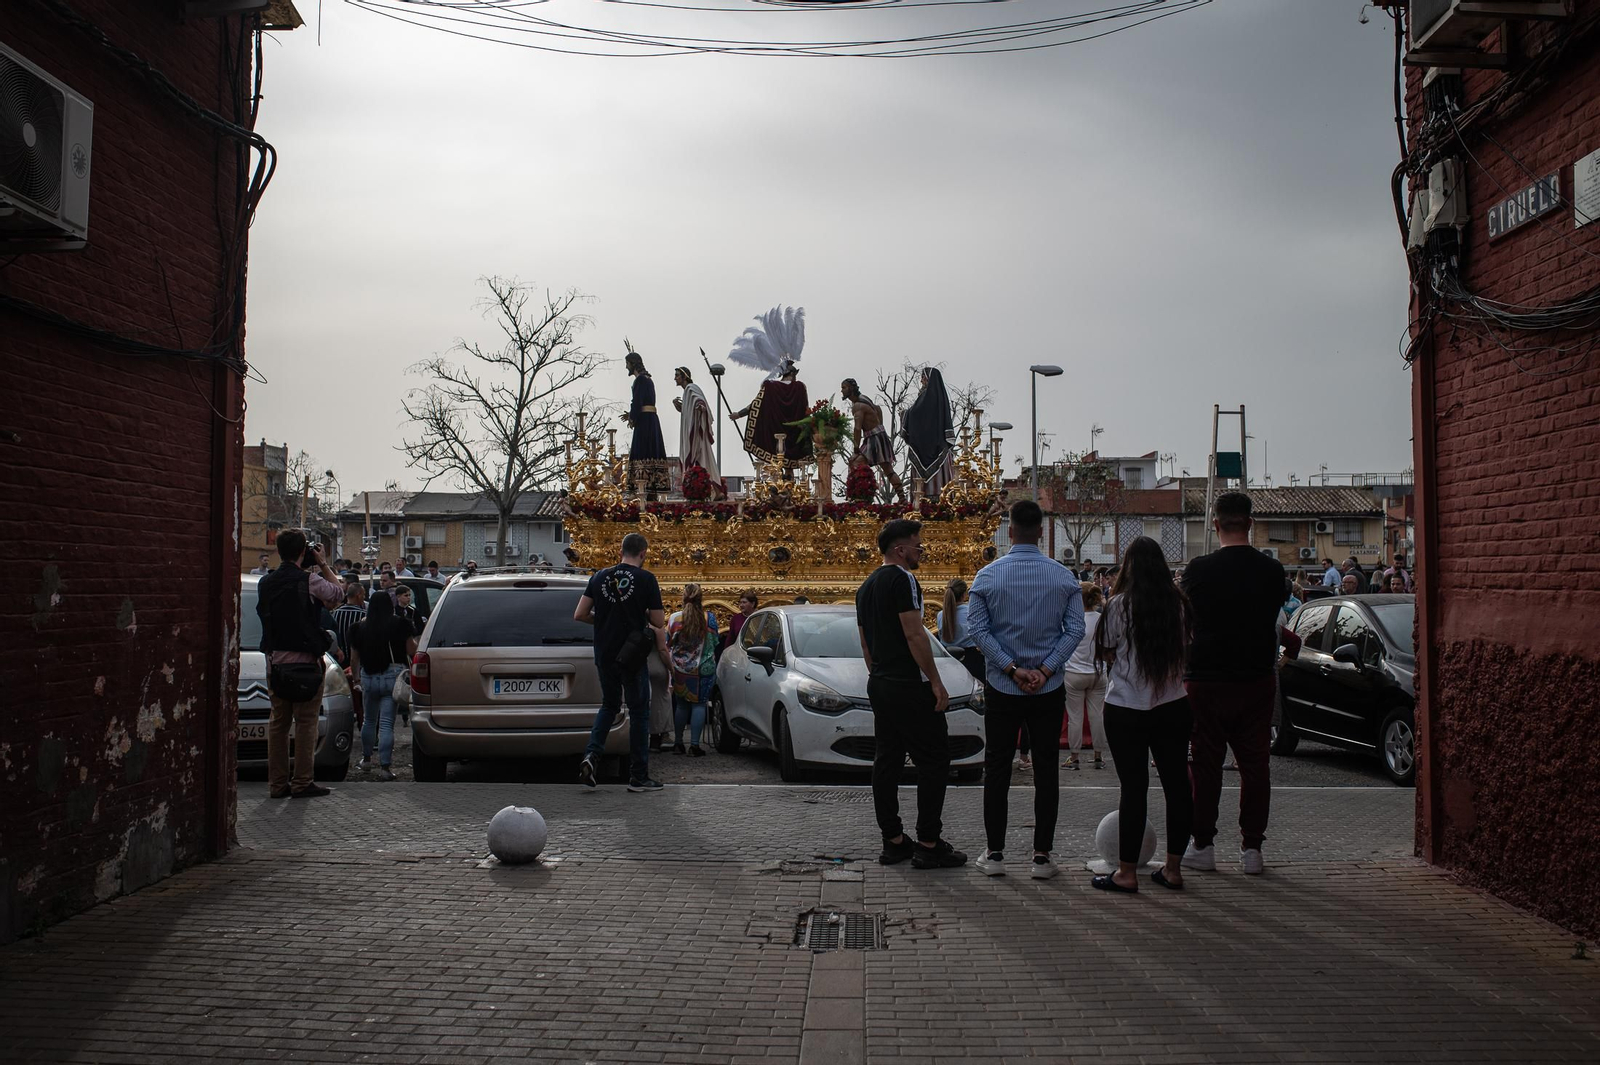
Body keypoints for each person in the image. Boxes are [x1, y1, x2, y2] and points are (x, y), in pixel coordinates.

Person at [966, 498, 1084, 879]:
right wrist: (1046, 669)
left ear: (1010, 530)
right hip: (1048, 688)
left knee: (997, 767)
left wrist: (1012, 669)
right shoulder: (1064, 577)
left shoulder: (987, 576)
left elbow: (979, 632)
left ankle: (995, 854)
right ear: (1043, 529)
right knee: (1047, 769)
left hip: (1003, 686)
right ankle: (1041, 857)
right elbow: (1076, 630)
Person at [1181, 492, 1287, 876]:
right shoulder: (1273, 572)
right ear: (1251, 523)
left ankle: (1203, 845)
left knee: (1205, 765)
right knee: (1256, 765)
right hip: (1257, 678)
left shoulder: (1197, 570)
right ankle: (1252, 850)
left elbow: (1188, 621)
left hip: (1206, 679)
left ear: (1215, 524)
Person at [856, 519, 966, 869]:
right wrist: (934, 680)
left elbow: (865, 641)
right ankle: (928, 841)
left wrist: (878, 674)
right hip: (907, 682)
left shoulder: (866, 585)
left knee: (887, 760)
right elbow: (915, 633)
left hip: (882, 681)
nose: (921, 551)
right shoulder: (902, 578)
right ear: (899, 550)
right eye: (917, 546)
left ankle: (894, 840)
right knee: (934, 760)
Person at [1091, 537, 1194, 894]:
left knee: (1133, 789)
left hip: (1125, 707)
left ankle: (1126, 873)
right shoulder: (1179, 605)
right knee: (1177, 785)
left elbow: (1105, 650)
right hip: (1173, 704)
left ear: (1129, 567)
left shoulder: (1119, 605)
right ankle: (1174, 869)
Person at [574, 532, 666, 791]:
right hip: (632, 654)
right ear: (643, 553)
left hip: (604, 652)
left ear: (620, 551)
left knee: (609, 705)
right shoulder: (646, 579)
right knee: (638, 712)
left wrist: (603, 619)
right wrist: (640, 612)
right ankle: (638, 776)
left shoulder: (600, 576)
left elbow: (580, 614)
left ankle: (592, 756)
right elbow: (658, 622)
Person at [256, 529, 343, 798]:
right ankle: (302, 781)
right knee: (306, 723)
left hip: (275, 663)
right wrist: (323, 563)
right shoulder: (310, 581)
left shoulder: (265, 582)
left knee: (278, 724)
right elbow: (338, 595)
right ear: (303, 552)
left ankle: (277, 784)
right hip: (306, 663)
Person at [348, 591, 416, 782]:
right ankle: (385, 768)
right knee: (387, 723)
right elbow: (411, 650)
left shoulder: (358, 628)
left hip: (368, 677)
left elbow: (354, 658)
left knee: (369, 721)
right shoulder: (401, 624)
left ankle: (367, 760)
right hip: (392, 676)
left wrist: (356, 680)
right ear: (390, 605)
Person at [665, 583, 719, 756]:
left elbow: (668, 642)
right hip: (703, 668)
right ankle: (694, 746)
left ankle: (678, 743)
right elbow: (714, 643)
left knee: (681, 706)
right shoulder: (709, 618)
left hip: (680, 669)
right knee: (700, 705)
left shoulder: (675, 618)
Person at [731, 358, 812, 474]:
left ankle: (774, 488)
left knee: (773, 466)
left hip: (773, 433)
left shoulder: (770, 387)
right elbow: (806, 411)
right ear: (792, 374)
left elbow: (755, 405)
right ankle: (791, 486)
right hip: (794, 434)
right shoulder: (800, 387)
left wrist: (738, 414)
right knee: (789, 468)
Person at [1062, 583, 1108, 771]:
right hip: (1098, 672)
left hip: (1074, 672)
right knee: (1097, 714)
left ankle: (1074, 757)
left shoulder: (1072, 620)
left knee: (1075, 716)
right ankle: (1098, 756)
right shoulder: (1102, 620)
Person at [841, 377, 905, 502]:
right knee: (887, 469)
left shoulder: (858, 406)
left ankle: (860, 497)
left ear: (851, 389)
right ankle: (902, 497)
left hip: (874, 438)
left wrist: (856, 449)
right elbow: (878, 409)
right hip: (878, 436)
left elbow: (857, 429)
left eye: (844, 388)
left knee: (855, 462)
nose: (842, 391)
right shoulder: (864, 400)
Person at [901, 367, 956, 499]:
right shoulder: (940, 398)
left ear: (928, 379)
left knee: (925, 486)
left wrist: (904, 415)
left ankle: (927, 501)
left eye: (923, 377)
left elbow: (915, 414)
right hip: (940, 446)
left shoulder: (926, 397)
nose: (921, 380)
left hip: (926, 448)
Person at [672, 366, 725, 498]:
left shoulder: (691, 388)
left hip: (697, 434)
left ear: (684, 376)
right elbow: (688, 411)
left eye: (677, 375)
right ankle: (712, 492)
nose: (675, 378)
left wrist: (700, 406)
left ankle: (717, 492)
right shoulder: (686, 392)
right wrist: (679, 406)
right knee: (703, 461)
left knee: (703, 459)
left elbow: (699, 400)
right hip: (692, 431)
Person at [623, 349, 670, 497]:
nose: (626, 367)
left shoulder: (640, 380)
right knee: (651, 452)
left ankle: (643, 486)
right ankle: (651, 486)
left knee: (642, 453)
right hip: (651, 420)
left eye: (627, 364)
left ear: (633, 364)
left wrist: (632, 417)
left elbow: (637, 402)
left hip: (644, 422)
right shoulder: (648, 379)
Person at [936, 578, 983, 683]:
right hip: (972, 661)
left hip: (949, 661)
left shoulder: (940, 615)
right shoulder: (971, 613)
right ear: (964, 595)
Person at [330, 583, 367, 660]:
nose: (364, 597)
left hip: (339, 657)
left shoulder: (335, 613)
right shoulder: (363, 614)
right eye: (363, 595)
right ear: (358, 595)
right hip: (357, 658)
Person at [720, 591, 757, 659]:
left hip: (757, 654)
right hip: (740, 655)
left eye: (744, 602)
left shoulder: (759, 616)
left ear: (752, 604)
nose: (741, 605)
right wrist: (726, 654)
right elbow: (730, 639)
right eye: (740, 602)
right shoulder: (736, 618)